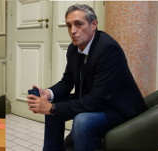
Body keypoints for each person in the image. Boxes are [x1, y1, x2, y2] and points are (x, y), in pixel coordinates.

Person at [26, 4, 147, 151]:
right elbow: (67, 81)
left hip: (118, 109)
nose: (73, 31)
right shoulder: (73, 48)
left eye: (78, 24)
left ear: (94, 24)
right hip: (95, 100)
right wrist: (48, 94)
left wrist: (53, 108)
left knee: (81, 120)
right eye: (69, 26)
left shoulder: (108, 49)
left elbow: (99, 99)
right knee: (52, 103)